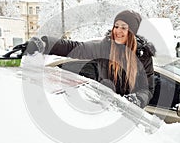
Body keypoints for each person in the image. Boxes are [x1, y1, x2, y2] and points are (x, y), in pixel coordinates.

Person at [25, 10, 156, 108]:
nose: (118, 31)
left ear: (132, 32)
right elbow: (75, 47)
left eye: (124, 27)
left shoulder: (143, 56)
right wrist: (45, 44)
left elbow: (147, 89)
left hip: (129, 114)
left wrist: (138, 99)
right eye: (116, 26)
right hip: (105, 110)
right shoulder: (104, 48)